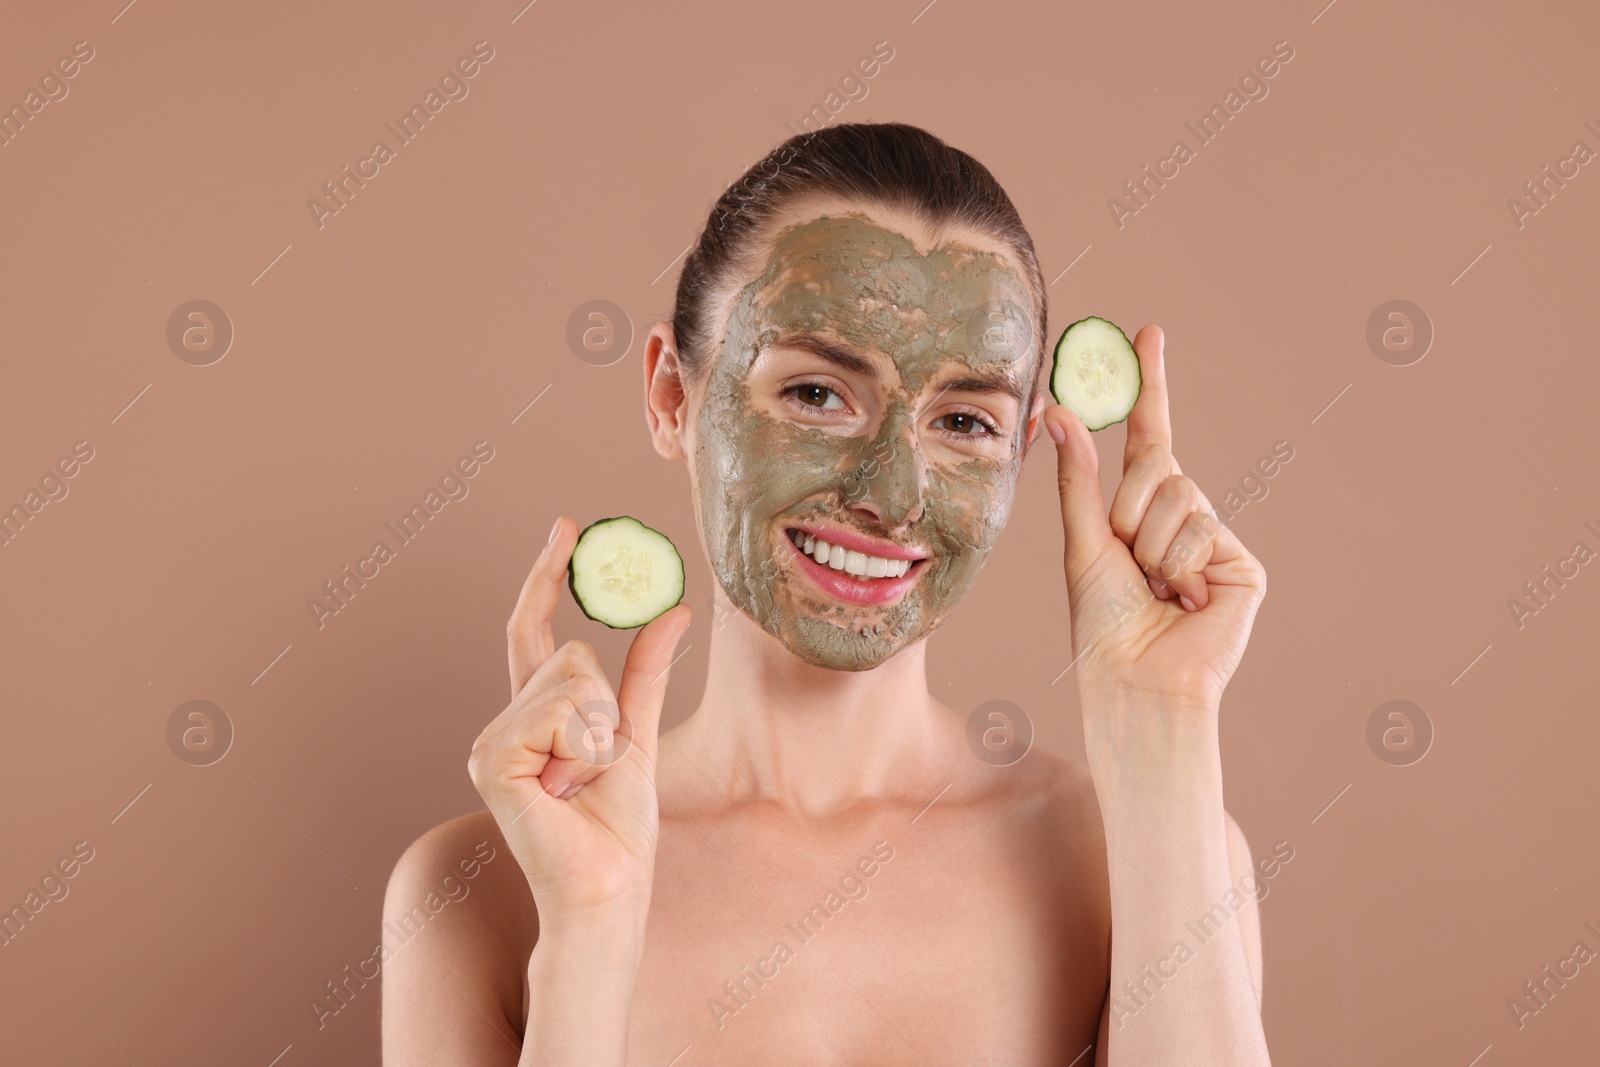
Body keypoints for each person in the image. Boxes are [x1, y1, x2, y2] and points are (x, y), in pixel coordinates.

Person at [382, 122, 1272, 1066]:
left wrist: (1162, 725)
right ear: (671, 396)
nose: (891, 495)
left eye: (965, 420)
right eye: (815, 395)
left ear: (1021, 453)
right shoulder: (477, 890)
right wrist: (589, 938)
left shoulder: (1141, 857)